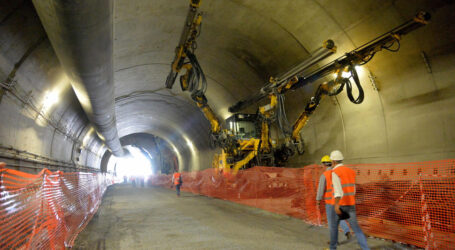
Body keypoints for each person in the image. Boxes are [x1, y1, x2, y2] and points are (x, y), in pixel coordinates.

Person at [327, 150, 369, 250]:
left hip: (340, 204)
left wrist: (337, 206)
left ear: (333, 161)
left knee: (334, 228)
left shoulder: (335, 172)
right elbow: (353, 189)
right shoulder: (351, 172)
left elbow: (337, 191)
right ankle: (366, 248)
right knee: (356, 229)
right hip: (351, 204)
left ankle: (332, 248)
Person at [316, 155, 351, 244]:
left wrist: (318, 200)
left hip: (330, 201)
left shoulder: (324, 175)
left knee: (331, 221)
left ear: (324, 164)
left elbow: (321, 189)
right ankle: (347, 231)